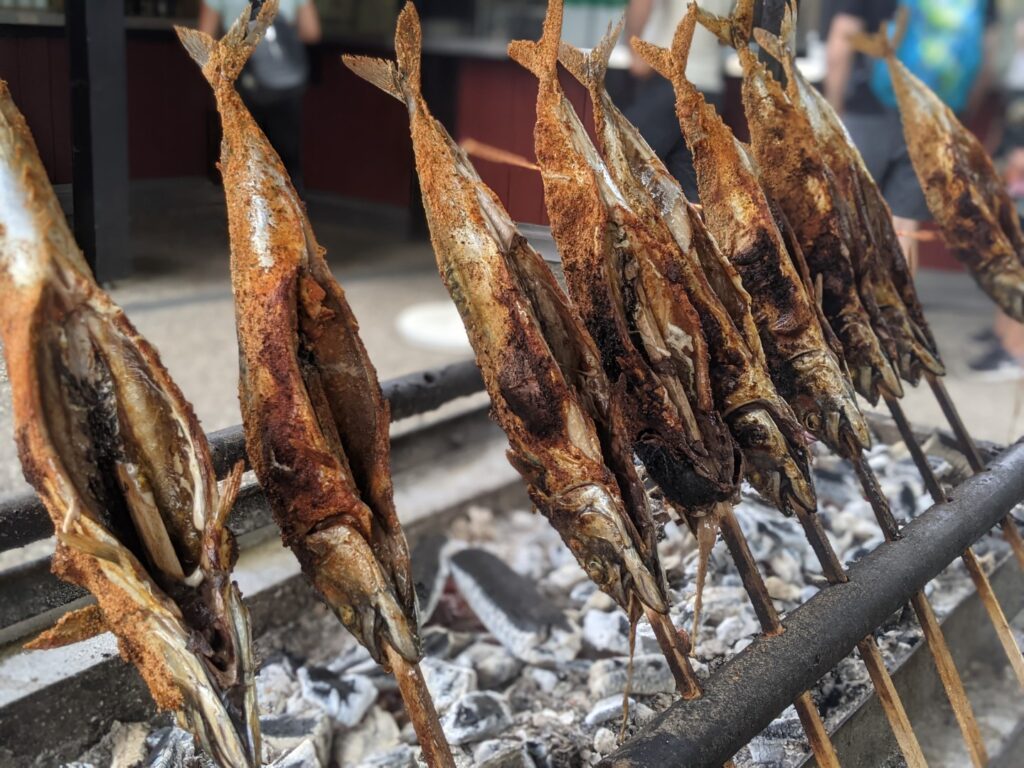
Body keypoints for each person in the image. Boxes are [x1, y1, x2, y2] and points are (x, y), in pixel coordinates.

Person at [824, 0, 997, 274]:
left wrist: (833, 110)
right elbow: (986, 60)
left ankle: (843, 312)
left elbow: (840, 46)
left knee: (844, 218)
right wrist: (957, 116)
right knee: (905, 228)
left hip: (868, 113)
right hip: (931, 117)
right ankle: (899, 313)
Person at [199, 0, 321, 196]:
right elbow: (311, 32)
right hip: (284, 85)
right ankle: (290, 218)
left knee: (245, 161)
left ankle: (251, 219)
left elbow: (205, 38)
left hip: (240, 82)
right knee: (286, 163)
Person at [625, 0, 731, 203]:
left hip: (671, 81)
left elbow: (642, 3)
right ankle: (692, 234)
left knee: (622, 155)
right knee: (690, 189)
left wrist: (635, 47)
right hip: (709, 87)